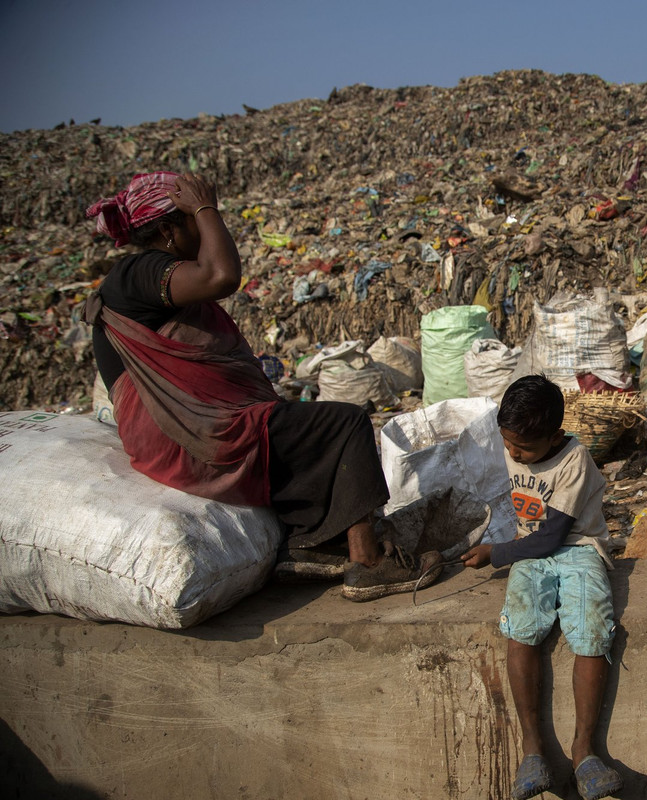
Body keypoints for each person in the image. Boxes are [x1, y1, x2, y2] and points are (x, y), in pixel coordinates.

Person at [85, 171, 440, 602]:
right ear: (167, 231)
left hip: (189, 429)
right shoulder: (137, 273)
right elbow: (221, 275)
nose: (206, 228)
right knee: (344, 423)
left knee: (301, 427)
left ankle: (310, 544)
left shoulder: (140, 278)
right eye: (194, 223)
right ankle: (367, 563)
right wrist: (204, 206)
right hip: (192, 434)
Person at [460, 376, 621, 800]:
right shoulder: (517, 443)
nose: (513, 454)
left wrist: (497, 554)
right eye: (507, 443)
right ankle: (532, 748)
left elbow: (551, 538)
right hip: (532, 551)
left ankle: (584, 750)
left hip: (577, 547)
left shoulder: (576, 459)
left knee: (591, 631)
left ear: (555, 436)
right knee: (522, 628)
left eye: (524, 449)